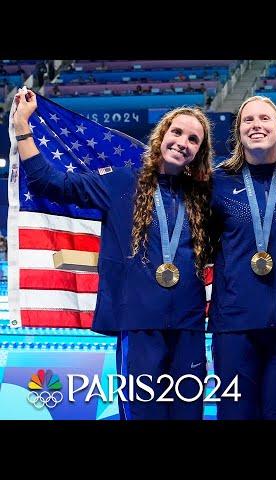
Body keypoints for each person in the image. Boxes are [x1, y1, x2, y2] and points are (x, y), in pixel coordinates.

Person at [13, 88, 214, 420]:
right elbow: (50, 183)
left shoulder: (205, 196)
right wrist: (23, 124)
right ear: (161, 136)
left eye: (194, 139)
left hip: (188, 328)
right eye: (177, 132)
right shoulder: (120, 183)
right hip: (137, 325)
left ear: (200, 151)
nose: (183, 142)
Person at [209, 96, 276, 419]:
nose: (256, 125)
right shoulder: (218, 182)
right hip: (234, 326)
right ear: (239, 132)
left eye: (265, 119)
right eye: (248, 120)